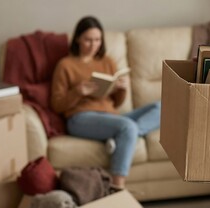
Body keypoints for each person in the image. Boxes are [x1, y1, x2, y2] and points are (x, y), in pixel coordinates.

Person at [51, 16, 161, 189]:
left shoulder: (107, 62)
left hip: (111, 117)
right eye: (88, 40)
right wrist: (77, 92)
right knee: (127, 127)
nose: (93, 45)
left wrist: (122, 89)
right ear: (78, 38)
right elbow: (57, 104)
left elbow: (116, 104)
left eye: (97, 40)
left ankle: (122, 136)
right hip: (81, 118)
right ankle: (117, 187)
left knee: (162, 108)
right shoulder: (65, 65)